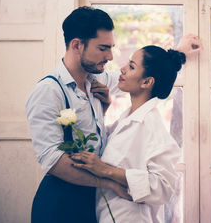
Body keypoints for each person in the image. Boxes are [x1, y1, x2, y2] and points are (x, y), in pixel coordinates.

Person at [25, 6, 201, 223]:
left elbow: (145, 76)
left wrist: (177, 55)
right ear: (77, 45)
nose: (110, 56)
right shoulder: (47, 92)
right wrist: (109, 180)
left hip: (94, 202)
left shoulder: (96, 82)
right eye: (103, 48)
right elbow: (52, 161)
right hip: (61, 202)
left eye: (111, 48)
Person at [71, 45, 186, 222]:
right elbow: (102, 146)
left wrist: (106, 170)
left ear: (147, 82)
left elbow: (163, 188)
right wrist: (103, 109)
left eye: (132, 66)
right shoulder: (128, 117)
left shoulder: (151, 126)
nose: (122, 69)